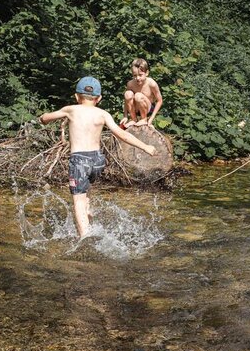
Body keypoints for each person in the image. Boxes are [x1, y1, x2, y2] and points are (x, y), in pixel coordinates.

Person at [40, 76, 157, 239]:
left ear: (76, 96)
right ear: (99, 98)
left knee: (78, 201)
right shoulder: (103, 114)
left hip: (79, 161)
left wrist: (42, 117)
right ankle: (88, 217)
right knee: (85, 195)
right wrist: (146, 147)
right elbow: (121, 134)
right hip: (97, 161)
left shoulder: (71, 109)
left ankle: (85, 237)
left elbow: (45, 118)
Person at [121, 58, 163, 127]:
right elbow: (126, 100)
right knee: (127, 94)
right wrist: (125, 116)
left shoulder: (151, 84)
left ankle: (144, 119)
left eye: (140, 75)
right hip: (136, 109)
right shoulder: (130, 84)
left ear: (146, 73)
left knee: (138, 95)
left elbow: (160, 101)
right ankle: (133, 119)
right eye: (135, 75)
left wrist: (151, 119)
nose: (137, 78)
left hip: (148, 108)